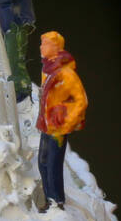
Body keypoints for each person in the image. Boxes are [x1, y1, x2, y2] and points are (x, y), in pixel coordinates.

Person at [36, 31, 87, 211]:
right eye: (42, 43)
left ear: (56, 47)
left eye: (45, 44)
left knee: (53, 165)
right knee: (42, 162)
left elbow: (81, 100)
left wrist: (66, 123)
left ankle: (57, 201)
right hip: (46, 125)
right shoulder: (47, 69)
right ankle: (49, 198)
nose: (41, 47)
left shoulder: (66, 73)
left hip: (57, 128)